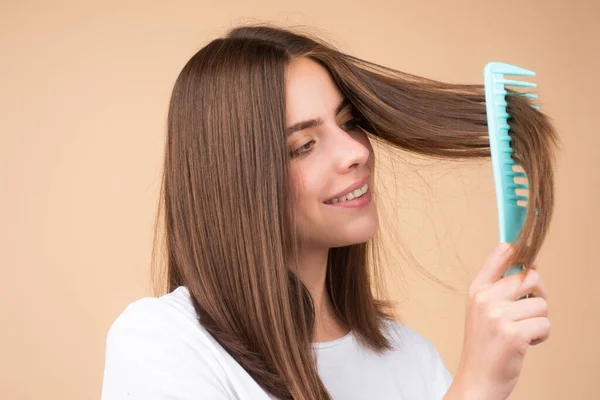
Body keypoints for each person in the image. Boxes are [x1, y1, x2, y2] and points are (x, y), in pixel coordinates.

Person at [101, 24, 552, 400]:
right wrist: (473, 388)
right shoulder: (163, 342)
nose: (355, 152)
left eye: (349, 122)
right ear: (236, 183)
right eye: (304, 145)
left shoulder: (409, 358)